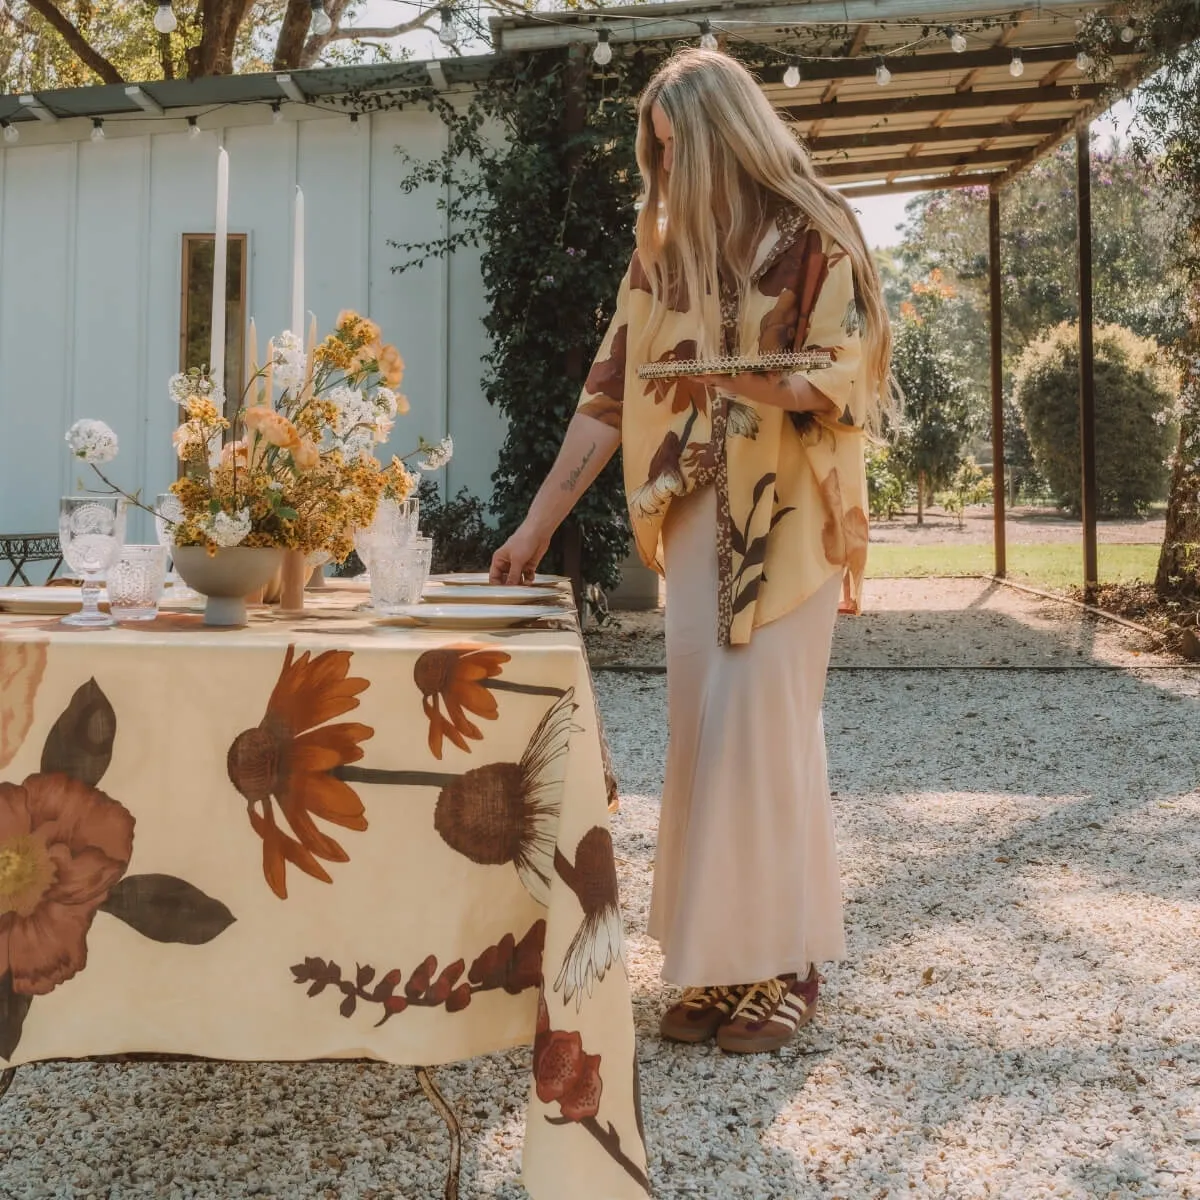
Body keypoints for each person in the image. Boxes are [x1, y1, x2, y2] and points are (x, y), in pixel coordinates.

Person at [490, 48, 894, 1054]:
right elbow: (607, 396)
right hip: (692, 523)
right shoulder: (662, 256)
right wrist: (536, 527)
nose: (669, 172)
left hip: (790, 528)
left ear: (730, 136)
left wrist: (727, 377)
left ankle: (790, 965)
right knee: (704, 745)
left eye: (683, 149)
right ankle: (721, 967)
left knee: (764, 734)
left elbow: (841, 373)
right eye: (659, 153)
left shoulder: (817, 234)